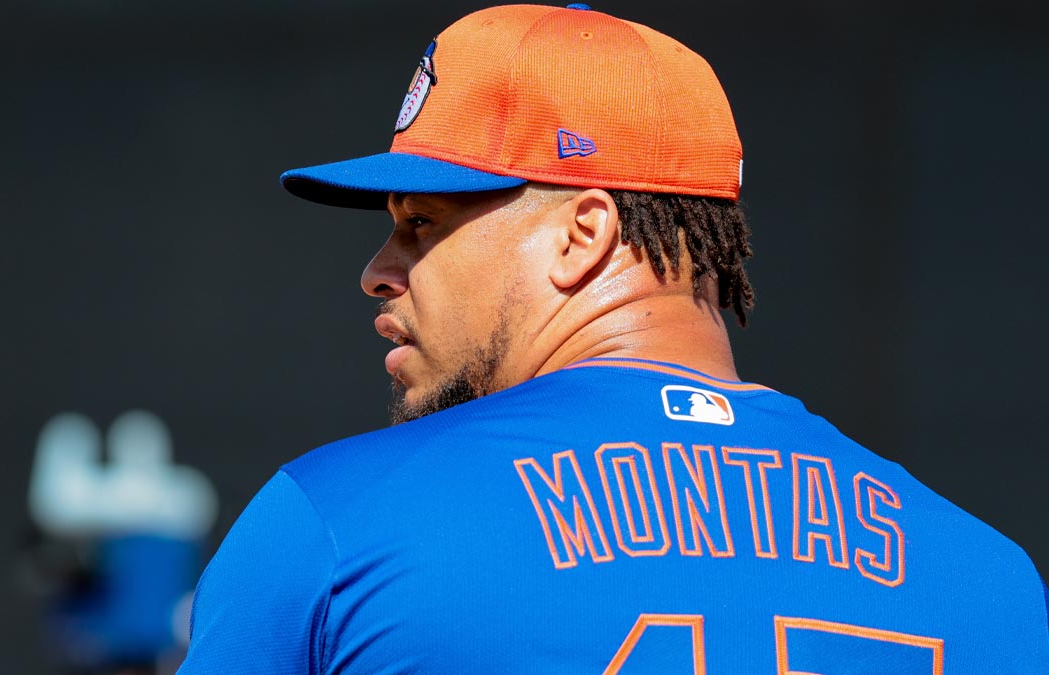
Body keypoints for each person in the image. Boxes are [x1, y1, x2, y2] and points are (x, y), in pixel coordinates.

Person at [179, 4, 1048, 673]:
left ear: (581, 234)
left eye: (421, 222)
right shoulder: (994, 584)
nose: (380, 267)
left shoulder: (337, 523)